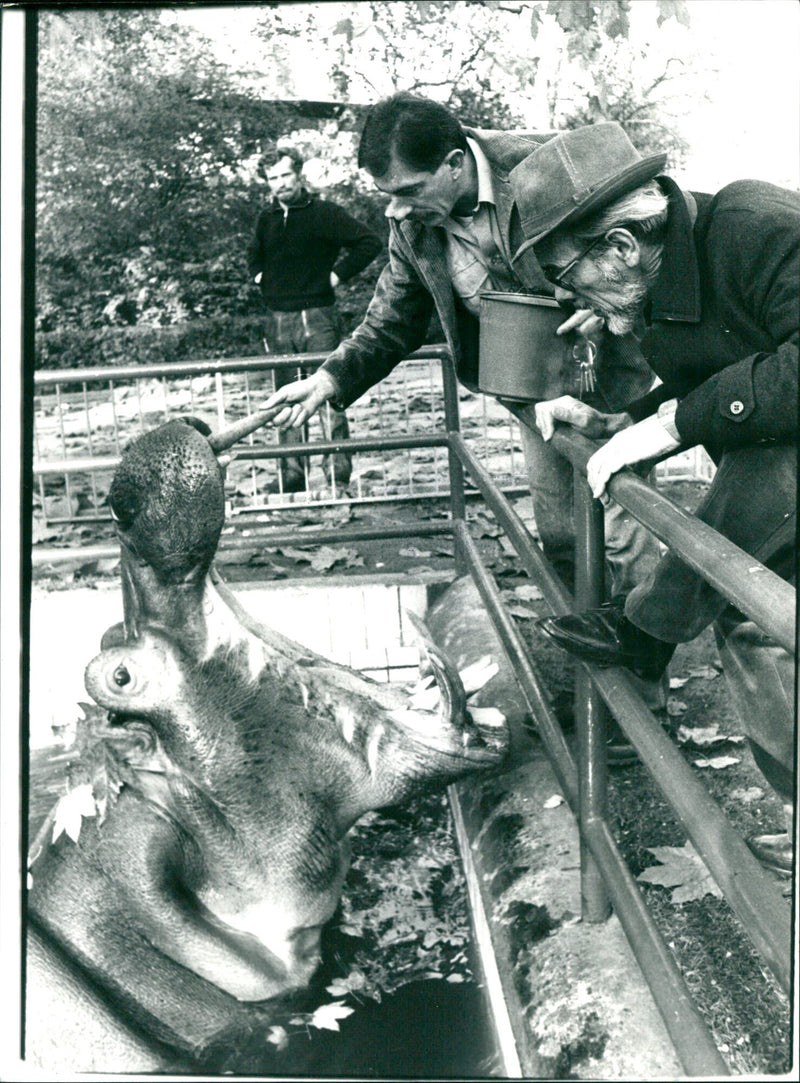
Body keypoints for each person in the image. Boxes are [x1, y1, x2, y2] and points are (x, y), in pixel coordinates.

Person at [515, 123, 797, 873]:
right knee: (757, 632)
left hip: (778, 481)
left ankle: (650, 624)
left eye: (565, 272)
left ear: (620, 246)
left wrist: (670, 423)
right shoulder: (663, 282)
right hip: (776, 499)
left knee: (764, 617)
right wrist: (625, 421)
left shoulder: (756, 227)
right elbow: (723, 373)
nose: (563, 296)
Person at [261, 93, 663, 607]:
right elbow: (392, 318)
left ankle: (641, 665)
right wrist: (329, 379)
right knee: (562, 536)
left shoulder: (543, 164)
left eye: (408, 190)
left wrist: (606, 298)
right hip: (534, 396)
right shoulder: (410, 223)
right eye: (386, 194)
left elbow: (641, 239)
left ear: (454, 164)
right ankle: (590, 652)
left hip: (606, 380)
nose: (395, 209)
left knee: (621, 533)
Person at [249, 145, 382, 493]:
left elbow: (369, 242)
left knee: (329, 392)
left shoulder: (324, 213)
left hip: (318, 318)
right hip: (278, 319)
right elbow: (254, 257)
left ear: (298, 174)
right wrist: (260, 278)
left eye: (285, 175)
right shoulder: (266, 219)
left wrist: (335, 276)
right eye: (272, 178)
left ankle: (337, 478)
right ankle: (292, 480)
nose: (280, 184)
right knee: (284, 398)